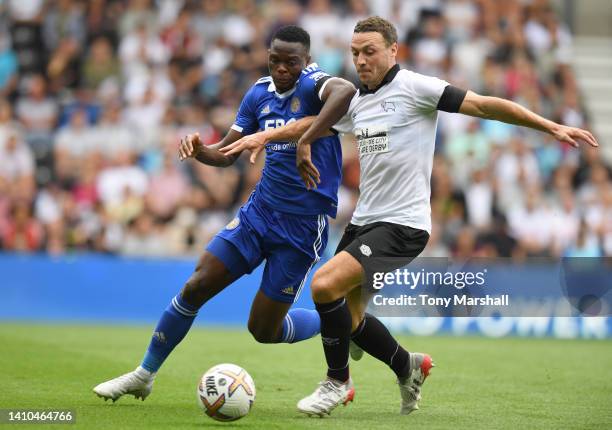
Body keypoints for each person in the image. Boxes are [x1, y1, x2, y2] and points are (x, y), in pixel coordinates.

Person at [221, 16, 598, 417]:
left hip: (404, 226)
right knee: (349, 320)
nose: (361, 60)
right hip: (365, 221)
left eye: (370, 51)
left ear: (392, 50)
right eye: (355, 53)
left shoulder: (416, 88)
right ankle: (408, 366)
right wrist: (263, 134)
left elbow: (486, 105)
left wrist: (548, 125)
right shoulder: (356, 101)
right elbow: (309, 123)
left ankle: (337, 383)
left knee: (324, 285)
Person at [93, 25, 355, 402]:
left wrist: (308, 138)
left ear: (307, 62)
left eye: (291, 62)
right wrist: (201, 150)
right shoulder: (258, 94)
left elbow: (345, 92)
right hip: (258, 214)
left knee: (263, 329)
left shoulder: (316, 85)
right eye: (275, 60)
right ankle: (143, 373)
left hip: (300, 228)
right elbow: (226, 153)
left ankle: (346, 324)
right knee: (196, 285)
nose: (282, 68)